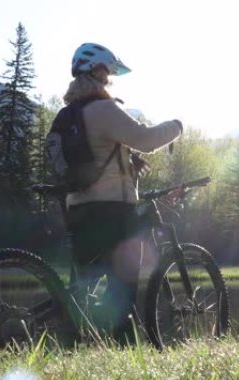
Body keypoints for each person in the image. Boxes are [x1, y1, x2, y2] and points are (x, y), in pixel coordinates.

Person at [63, 42, 182, 343]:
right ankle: (125, 346)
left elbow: (95, 155)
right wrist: (176, 126)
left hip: (77, 211)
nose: (110, 80)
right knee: (124, 286)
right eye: (108, 74)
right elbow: (145, 138)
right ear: (97, 72)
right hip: (112, 212)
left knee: (86, 287)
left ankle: (80, 338)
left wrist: (127, 161)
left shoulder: (68, 115)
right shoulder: (104, 109)